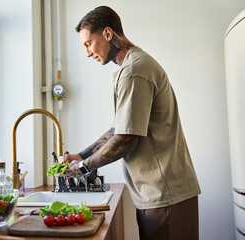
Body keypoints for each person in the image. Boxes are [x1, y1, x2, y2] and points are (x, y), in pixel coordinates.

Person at [62, 6, 201, 240]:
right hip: (156, 194)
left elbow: (125, 140)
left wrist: (84, 167)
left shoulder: (135, 71)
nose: (87, 53)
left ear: (107, 33)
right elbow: (118, 130)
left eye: (88, 43)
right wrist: (80, 155)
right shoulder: (131, 68)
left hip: (164, 195)